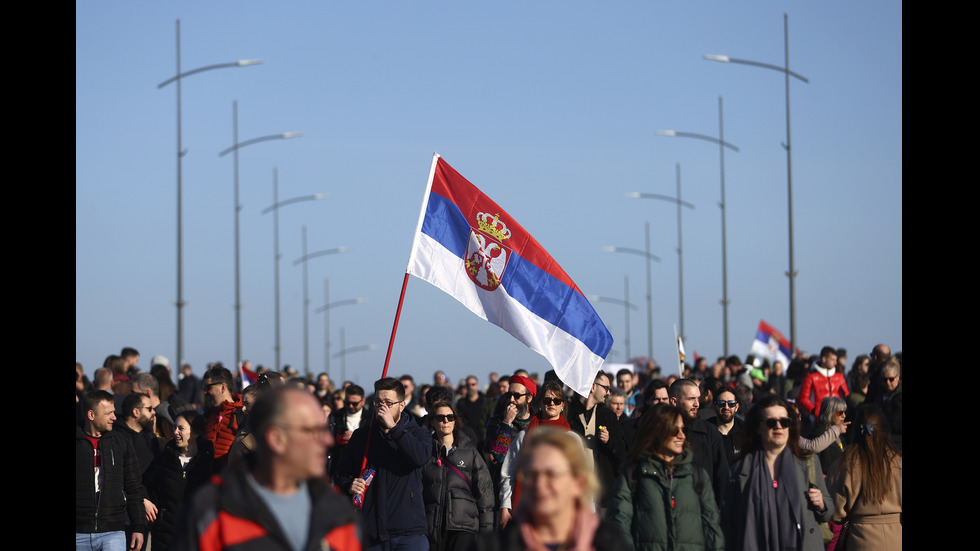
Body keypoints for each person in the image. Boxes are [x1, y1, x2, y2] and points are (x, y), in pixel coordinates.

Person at [173, 386, 361, 550]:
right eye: (312, 431)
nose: (327, 440)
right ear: (276, 438)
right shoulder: (211, 512)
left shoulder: (337, 513)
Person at [480, 428, 628, 551]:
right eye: (532, 474)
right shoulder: (492, 545)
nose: (539, 483)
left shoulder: (609, 544)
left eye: (551, 474)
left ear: (578, 484)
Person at [607, 403, 724, 550]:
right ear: (657, 431)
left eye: (683, 429)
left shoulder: (697, 476)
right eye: (675, 430)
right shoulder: (634, 475)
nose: (681, 435)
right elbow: (618, 524)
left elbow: (712, 527)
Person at [723, 395, 833, 551]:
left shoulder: (808, 461)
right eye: (771, 422)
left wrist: (822, 504)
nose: (779, 427)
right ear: (758, 428)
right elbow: (728, 524)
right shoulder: (738, 470)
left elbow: (828, 511)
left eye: (784, 422)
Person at [335, 377, 432, 551]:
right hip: (373, 534)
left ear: (401, 405)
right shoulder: (362, 437)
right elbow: (340, 473)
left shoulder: (417, 432)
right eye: (378, 402)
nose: (382, 408)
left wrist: (394, 429)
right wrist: (349, 484)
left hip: (409, 532)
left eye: (388, 403)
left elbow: (420, 457)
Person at [76, 390, 146, 551]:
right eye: (109, 413)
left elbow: (134, 487)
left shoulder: (121, 442)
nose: (114, 417)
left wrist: (139, 526)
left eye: (114, 412)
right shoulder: (78, 442)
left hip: (113, 532)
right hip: (79, 532)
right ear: (91, 415)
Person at [141, 410, 221, 551]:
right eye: (174, 427)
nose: (175, 432)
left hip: (196, 536)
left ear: (196, 433)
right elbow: (141, 485)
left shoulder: (210, 465)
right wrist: (145, 501)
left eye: (181, 428)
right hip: (164, 537)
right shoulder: (164, 459)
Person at [827, 405, 902, 550]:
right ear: (885, 431)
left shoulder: (845, 464)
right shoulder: (898, 462)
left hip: (860, 541)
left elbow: (834, 512)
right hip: (897, 539)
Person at [499, 381, 572, 528]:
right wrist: (505, 507)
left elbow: (582, 477)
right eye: (547, 400)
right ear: (540, 403)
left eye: (557, 401)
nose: (552, 403)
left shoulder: (572, 439)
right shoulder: (523, 436)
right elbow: (509, 474)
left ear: (563, 405)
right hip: (528, 510)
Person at [422, 401, 494, 551]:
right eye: (440, 417)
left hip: (463, 526)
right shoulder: (425, 452)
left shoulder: (471, 451)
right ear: (432, 421)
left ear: (456, 420)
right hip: (432, 526)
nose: (446, 421)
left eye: (450, 417)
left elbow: (485, 492)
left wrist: (486, 531)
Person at [568, 371, 626, 511]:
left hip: (602, 492)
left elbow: (622, 452)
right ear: (593, 386)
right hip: (574, 490)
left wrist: (608, 441)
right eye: (606, 388)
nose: (608, 393)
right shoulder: (569, 414)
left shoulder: (608, 416)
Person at [669, 379, 727, 506]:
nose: (697, 404)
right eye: (691, 399)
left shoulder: (709, 432)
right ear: (674, 401)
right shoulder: (659, 432)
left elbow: (721, 476)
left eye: (697, 399)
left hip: (703, 508)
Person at [201, 365, 244, 464]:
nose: (204, 392)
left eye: (208, 387)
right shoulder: (208, 416)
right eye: (204, 387)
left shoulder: (242, 415)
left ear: (223, 387)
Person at [813, 396, 848, 474]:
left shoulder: (839, 434)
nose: (844, 416)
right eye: (840, 412)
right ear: (829, 413)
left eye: (845, 412)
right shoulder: (819, 433)